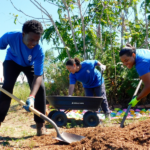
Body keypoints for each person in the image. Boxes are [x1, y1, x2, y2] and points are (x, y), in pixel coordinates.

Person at [0, 20, 48, 136]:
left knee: (40, 89)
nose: (34, 43)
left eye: (37, 40)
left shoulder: (39, 51)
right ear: (23, 34)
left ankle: (40, 126)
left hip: (29, 65)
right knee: (6, 89)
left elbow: (38, 76)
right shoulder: (10, 37)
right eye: (31, 39)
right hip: (12, 61)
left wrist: (31, 97)